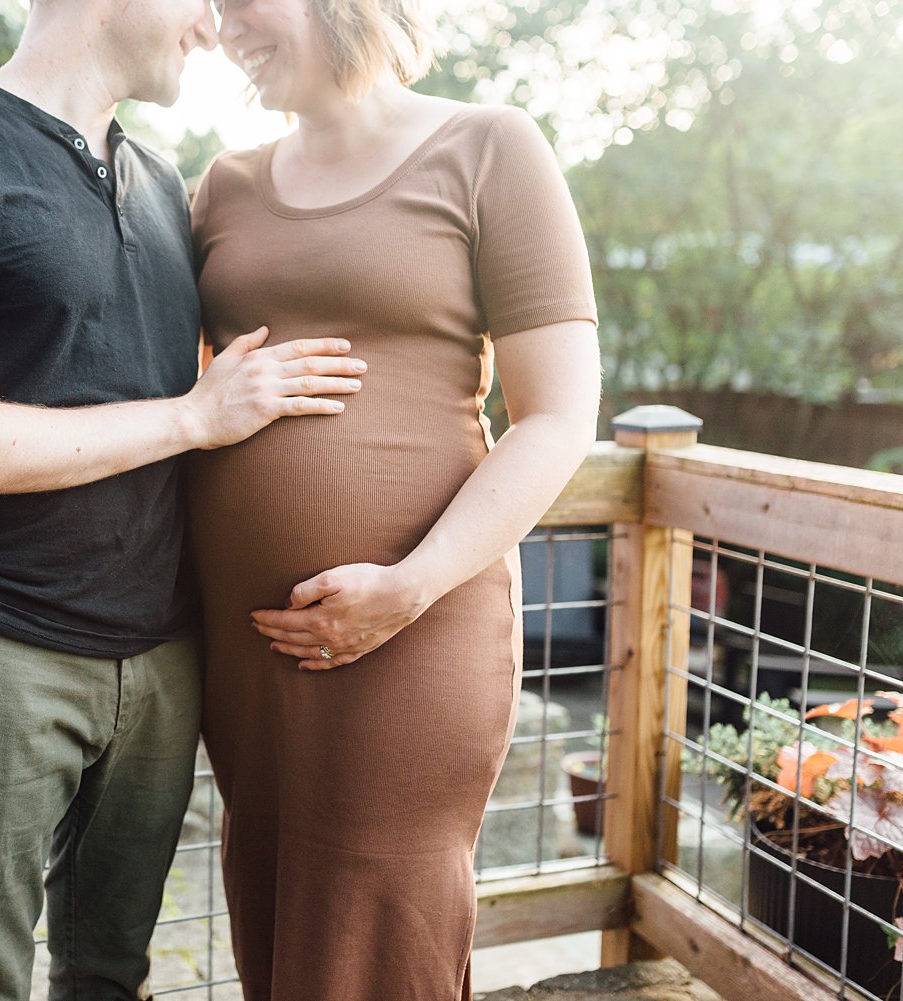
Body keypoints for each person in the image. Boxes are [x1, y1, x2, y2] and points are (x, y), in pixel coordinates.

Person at [0, 0, 367, 997]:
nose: (214, 28)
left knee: (111, 974)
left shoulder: (164, 183)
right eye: (201, 2)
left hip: (162, 664)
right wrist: (194, 417)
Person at [189, 0, 603, 998]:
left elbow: (557, 417)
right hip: (243, 642)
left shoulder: (489, 148)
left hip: (419, 623)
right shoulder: (223, 185)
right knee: (272, 897)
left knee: (377, 919)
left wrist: (408, 586)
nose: (223, 22)